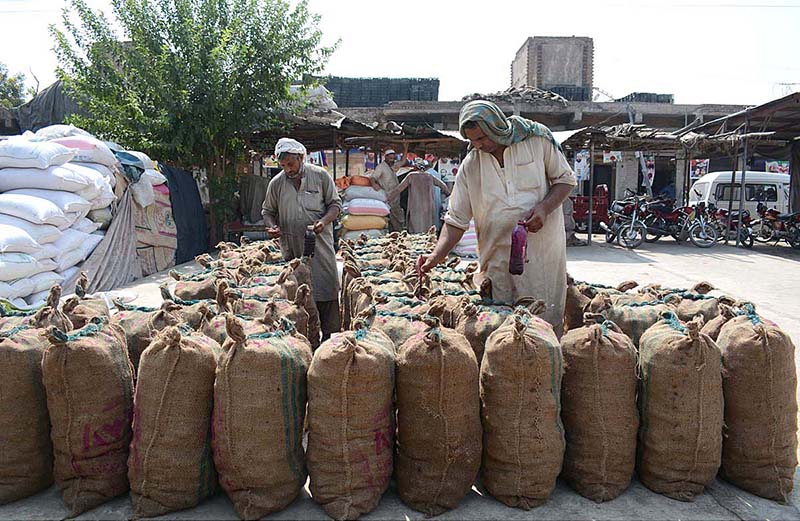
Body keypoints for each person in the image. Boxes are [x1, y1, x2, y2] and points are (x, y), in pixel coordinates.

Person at [420, 100, 577, 334]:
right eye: (472, 140)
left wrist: (544, 208)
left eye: (482, 138)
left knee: (543, 323)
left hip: (541, 253)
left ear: (497, 127)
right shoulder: (472, 164)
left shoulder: (537, 141)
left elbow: (566, 180)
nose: (478, 145)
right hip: (497, 257)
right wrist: (435, 256)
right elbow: (455, 220)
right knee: (501, 329)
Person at [262, 137, 342, 341]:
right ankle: (304, 340)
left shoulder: (320, 176)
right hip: (293, 250)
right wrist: (272, 226)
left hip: (320, 247)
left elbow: (335, 205)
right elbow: (268, 211)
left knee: (326, 287)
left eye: (291, 163)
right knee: (298, 295)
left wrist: (323, 222)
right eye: (283, 165)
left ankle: (329, 339)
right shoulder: (277, 183)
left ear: (301, 158)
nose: (287, 169)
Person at [387, 162, 451, 234]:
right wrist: (448, 194)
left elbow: (399, 189)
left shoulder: (411, 176)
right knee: (427, 227)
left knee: (415, 227)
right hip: (428, 206)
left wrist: (389, 198)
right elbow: (443, 185)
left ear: (415, 168)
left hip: (415, 205)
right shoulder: (429, 176)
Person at [370, 149, 405, 231]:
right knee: (393, 215)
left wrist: (405, 147)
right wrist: (374, 184)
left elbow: (403, 161)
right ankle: (396, 232)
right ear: (385, 157)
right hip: (388, 195)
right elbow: (373, 177)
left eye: (393, 158)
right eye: (390, 158)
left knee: (396, 215)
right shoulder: (381, 167)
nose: (392, 160)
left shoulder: (392, 166)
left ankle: (397, 232)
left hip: (395, 194)